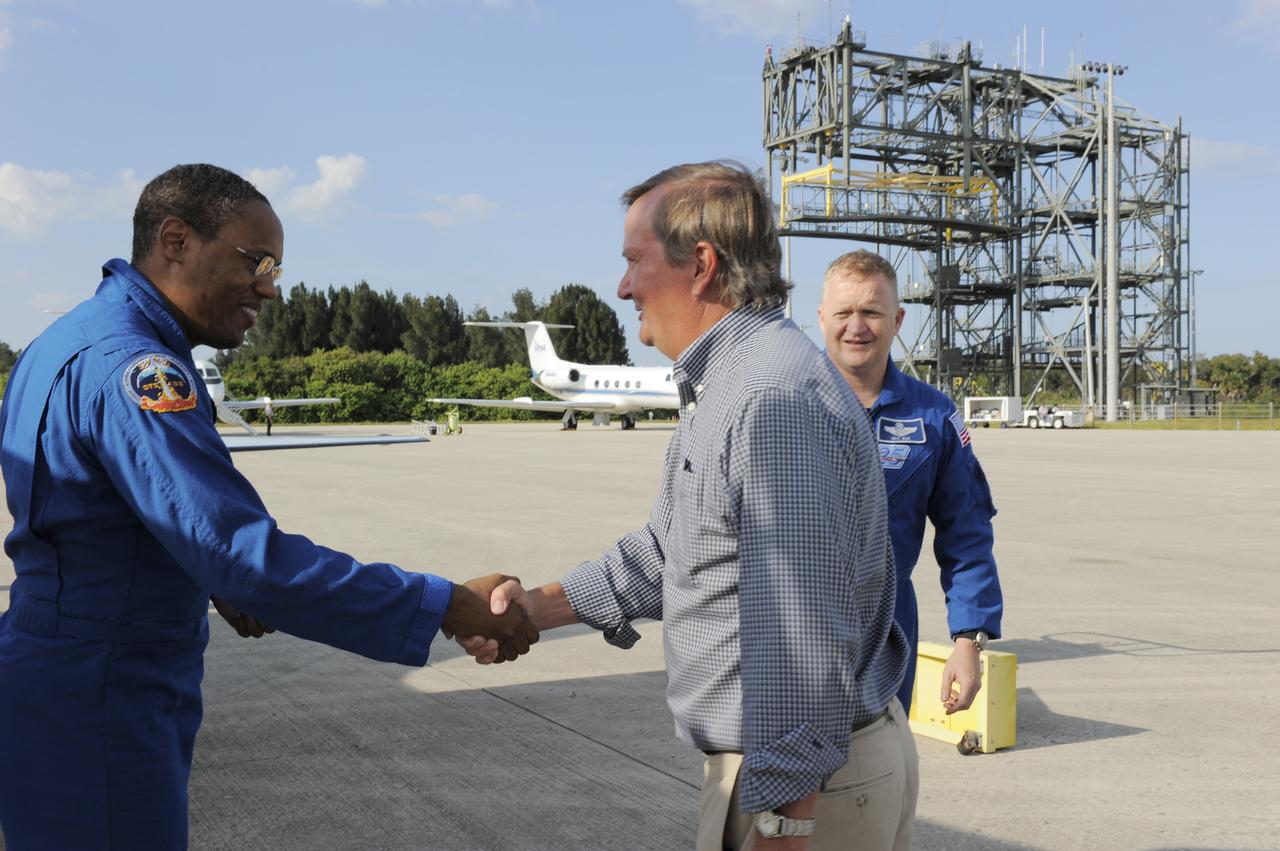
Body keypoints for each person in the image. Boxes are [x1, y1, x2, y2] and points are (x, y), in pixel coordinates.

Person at [0, 163, 537, 850]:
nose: (271, 287)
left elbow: (94, 513)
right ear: (175, 240)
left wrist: (201, 572)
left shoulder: (63, 343)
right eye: (256, 261)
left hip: (55, 681)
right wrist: (447, 603)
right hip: (104, 698)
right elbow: (241, 555)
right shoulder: (136, 368)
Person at [463, 163, 917, 851]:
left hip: (800, 793)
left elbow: (802, 646)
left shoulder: (771, 402)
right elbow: (670, 550)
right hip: (784, 778)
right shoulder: (734, 382)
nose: (622, 287)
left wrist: (783, 829)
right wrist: (536, 604)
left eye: (634, 261)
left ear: (700, 265)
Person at [816, 250, 1003, 717]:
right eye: (843, 312)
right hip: (791, 634)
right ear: (821, 318)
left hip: (887, 636)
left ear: (897, 319)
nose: (855, 327)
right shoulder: (781, 403)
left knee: (878, 779)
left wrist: (968, 640)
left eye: (871, 312)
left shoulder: (934, 417)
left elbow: (967, 533)